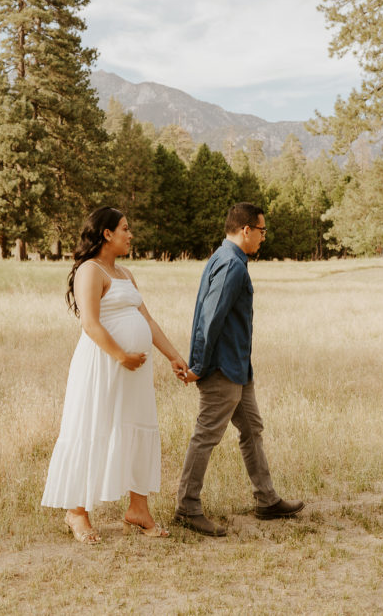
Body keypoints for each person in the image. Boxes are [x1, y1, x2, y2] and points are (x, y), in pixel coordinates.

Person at [42, 207, 189, 544]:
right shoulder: (89, 271)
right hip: (103, 365)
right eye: (125, 228)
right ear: (106, 233)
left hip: (134, 371)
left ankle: (138, 509)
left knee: (138, 426)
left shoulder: (124, 272)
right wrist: (121, 355)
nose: (130, 234)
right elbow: (90, 323)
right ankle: (77, 512)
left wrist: (173, 356)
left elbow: (147, 321)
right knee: (92, 427)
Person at [174, 203, 303, 536]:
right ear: (245, 229)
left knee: (252, 429)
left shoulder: (225, 258)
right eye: (262, 231)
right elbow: (210, 317)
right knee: (206, 435)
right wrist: (199, 366)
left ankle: (266, 500)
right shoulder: (232, 265)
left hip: (238, 368)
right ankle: (187, 507)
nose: (263, 238)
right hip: (221, 368)